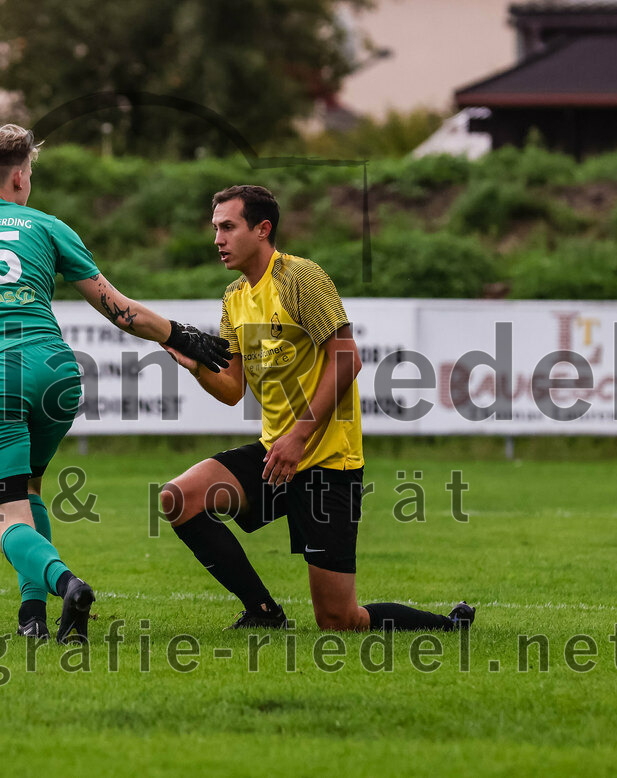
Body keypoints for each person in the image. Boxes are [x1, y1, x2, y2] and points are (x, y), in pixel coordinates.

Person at [0, 124, 231, 643]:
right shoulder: (46, 226)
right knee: (30, 488)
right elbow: (120, 310)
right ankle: (32, 617)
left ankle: (67, 583)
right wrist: (180, 335)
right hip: (55, 374)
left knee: (4, 513)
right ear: (19, 176)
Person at [160, 184, 474, 632]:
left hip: (327, 461)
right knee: (179, 498)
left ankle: (450, 626)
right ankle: (263, 612)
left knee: (339, 620)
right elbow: (232, 389)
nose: (217, 240)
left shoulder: (301, 278)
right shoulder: (233, 298)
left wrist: (299, 436)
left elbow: (348, 358)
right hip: (276, 456)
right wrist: (194, 366)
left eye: (228, 227)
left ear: (262, 229)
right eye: (215, 228)